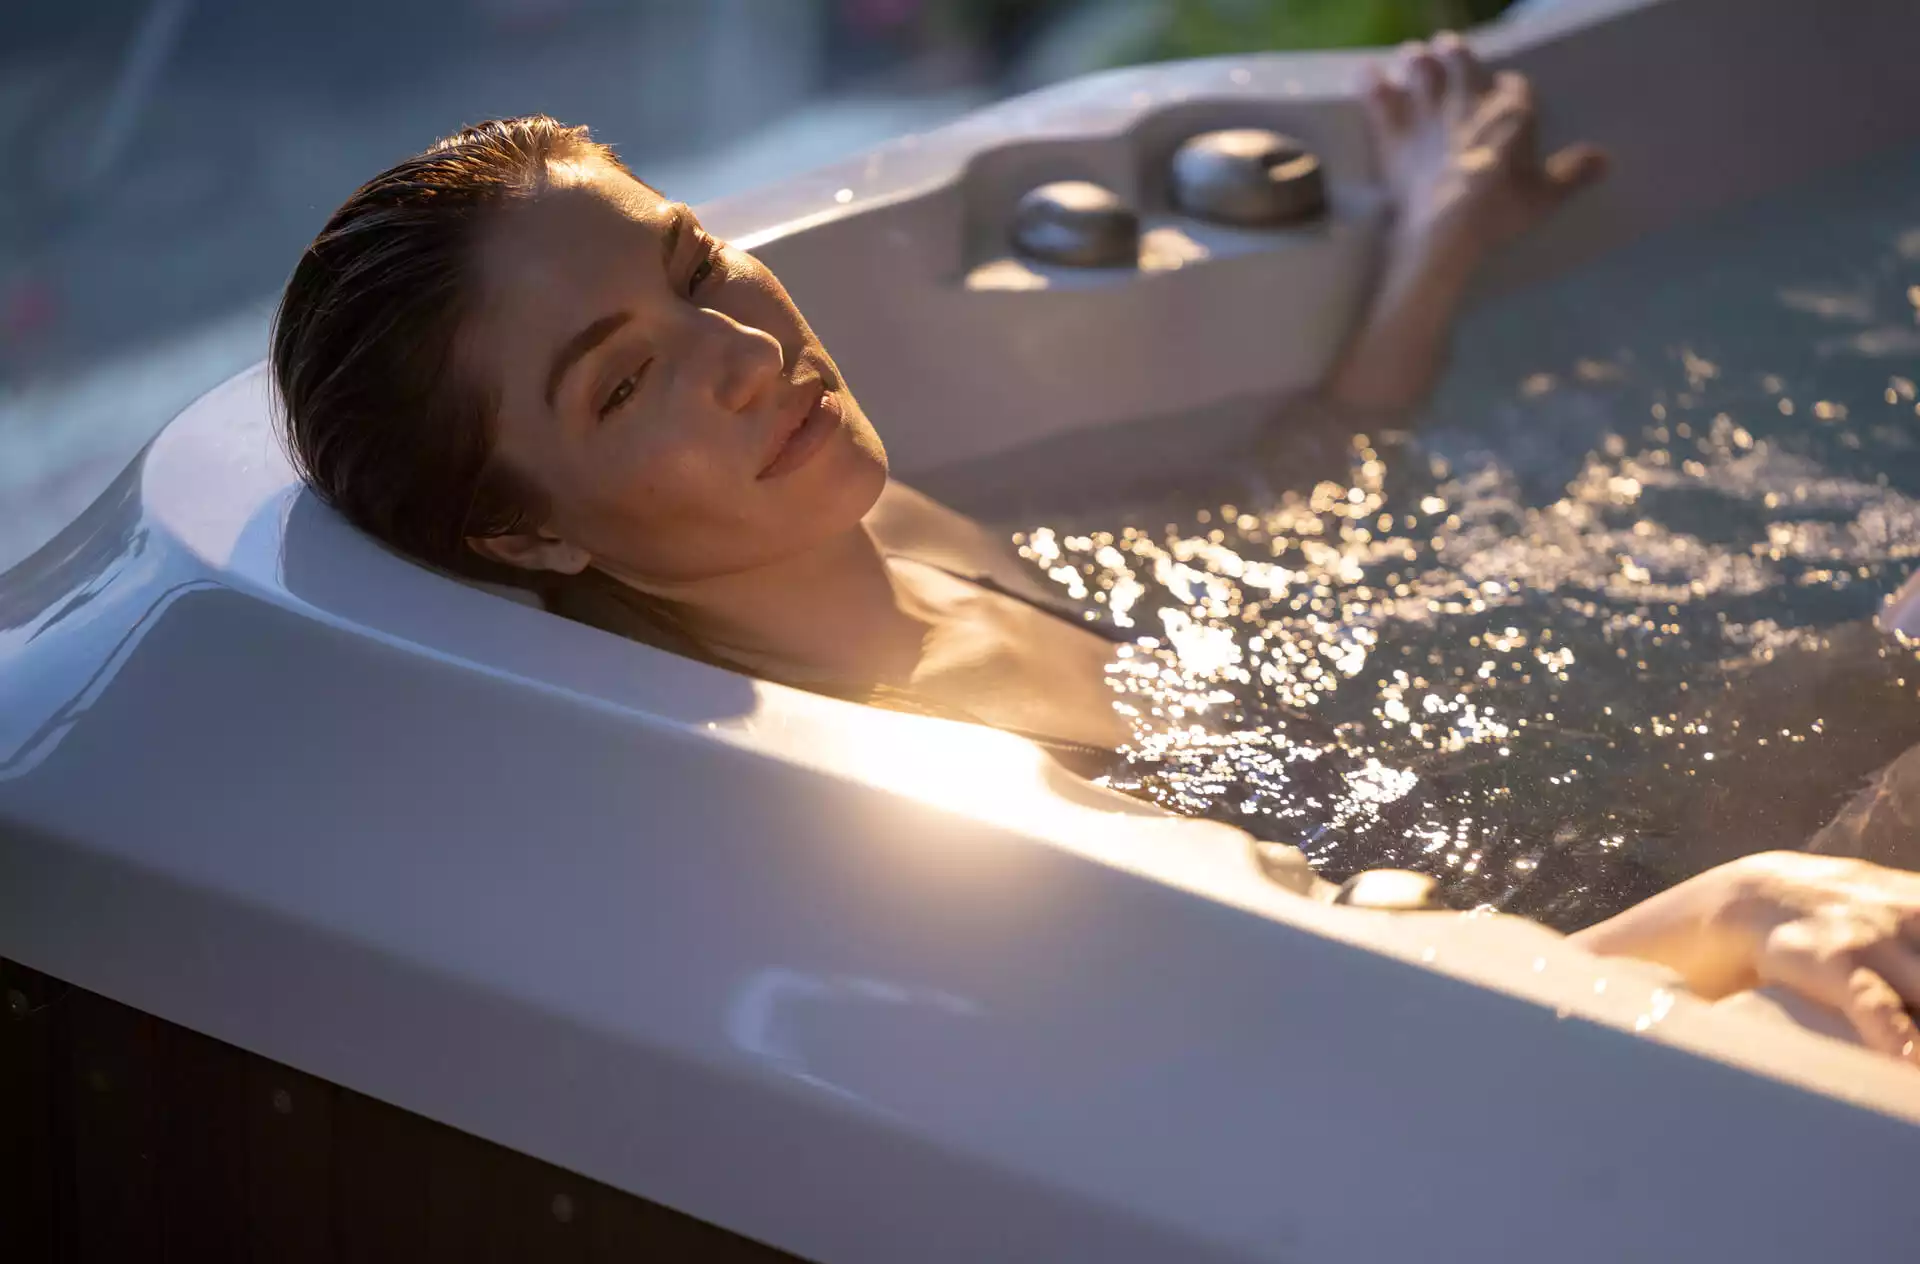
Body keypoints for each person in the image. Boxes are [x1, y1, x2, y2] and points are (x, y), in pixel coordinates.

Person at [270, 36, 1920, 1063]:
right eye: (625, 379)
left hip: (1576, 859)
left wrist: (1426, 248)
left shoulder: (868, 513)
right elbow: (1341, 1057)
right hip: (1614, 988)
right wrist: (1738, 904)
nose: (744, 348)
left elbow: (1283, 512)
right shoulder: (893, 796)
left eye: (696, 260)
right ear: (521, 525)